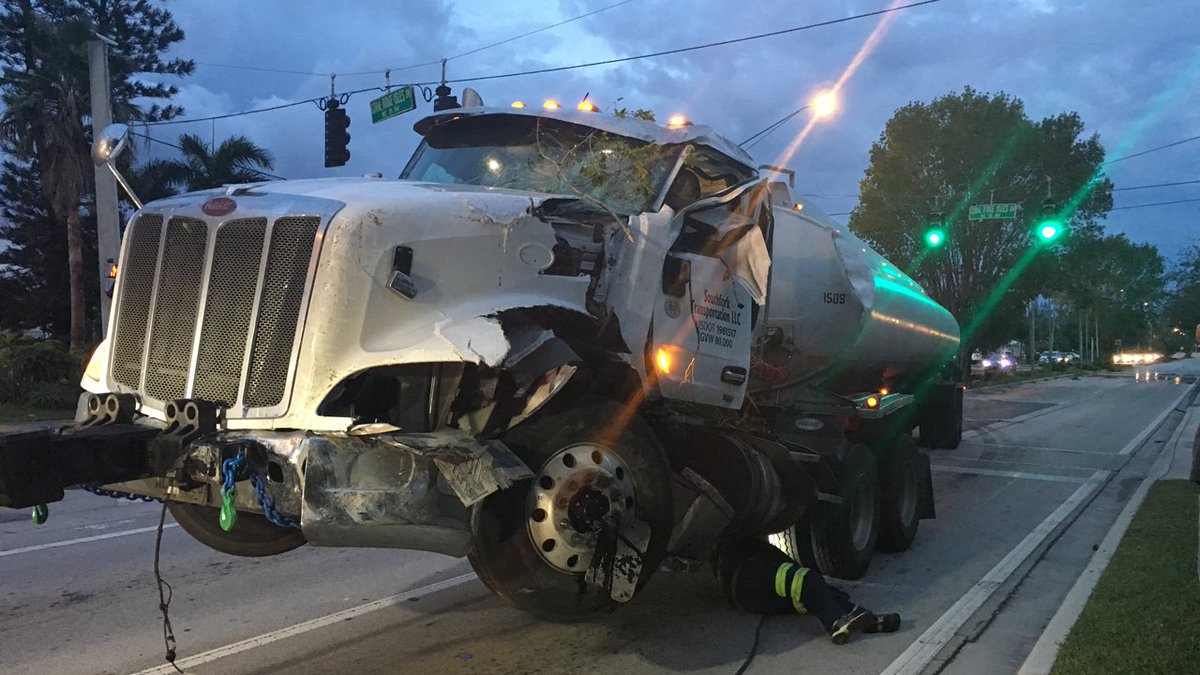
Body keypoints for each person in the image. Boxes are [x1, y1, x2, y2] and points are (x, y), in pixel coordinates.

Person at [712, 538, 901, 645]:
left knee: (821, 593)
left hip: (750, 593)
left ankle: (869, 621)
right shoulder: (738, 542)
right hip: (747, 579)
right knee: (809, 580)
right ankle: (836, 624)